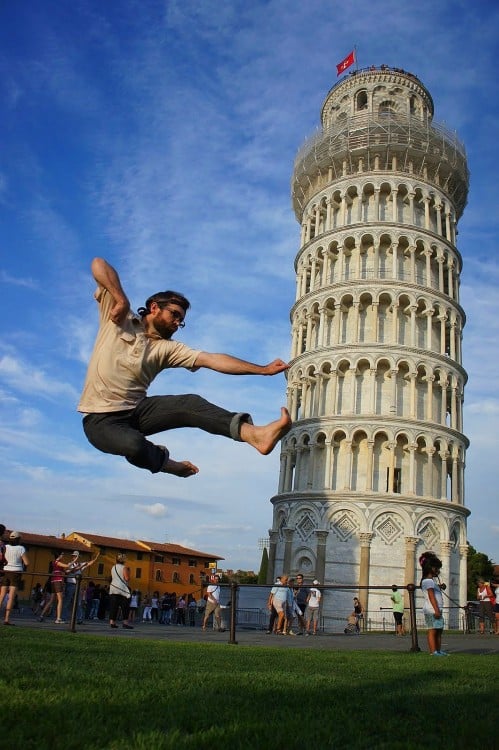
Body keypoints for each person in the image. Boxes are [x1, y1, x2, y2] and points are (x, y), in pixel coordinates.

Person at [78, 257, 292, 479]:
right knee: (134, 445)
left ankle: (254, 435)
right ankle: (169, 464)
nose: (178, 323)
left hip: (136, 411)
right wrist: (120, 298)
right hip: (100, 420)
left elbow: (213, 360)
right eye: (175, 315)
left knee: (190, 404)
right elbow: (97, 264)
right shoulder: (119, 317)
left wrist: (263, 369)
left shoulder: (168, 348)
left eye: (181, 320)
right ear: (154, 308)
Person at [419, 551, 448, 656]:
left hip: (437, 609)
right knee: (433, 630)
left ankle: (438, 650)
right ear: (430, 568)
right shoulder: (428, 581)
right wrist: (436, 610)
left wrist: (440, 587)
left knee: (439, 630)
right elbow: (431, 596)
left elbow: (434, 592)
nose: (438, 571)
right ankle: (433, 651)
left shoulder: (431, 581)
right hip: (432, 609)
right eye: (437, 568)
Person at [0, 531, 29, 625]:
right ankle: (7, 619)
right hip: (16, 572)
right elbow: (27, 563)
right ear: (18, 539)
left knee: (1, 595)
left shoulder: (6, 547)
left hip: (5, 571)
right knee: (11, 597)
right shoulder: (21, 548)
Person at [62, 550, 99, 621]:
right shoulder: (70, 564)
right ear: (73, 557)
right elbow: (72, 571)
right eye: (74, 556)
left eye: (77, 556)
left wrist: (95, 558)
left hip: (78, 585)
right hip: (70, 584)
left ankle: (79, 618)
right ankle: (64, 617)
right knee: (67, 601)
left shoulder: (80, 564)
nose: (75, 557)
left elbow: (89, 563)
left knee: (78, 602)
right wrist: (80, 567)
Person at [39, 551, 72, 624]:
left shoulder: (56, 564)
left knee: (51, 600)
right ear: (59, 555)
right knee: (60, 600)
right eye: (62, 555)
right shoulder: (57, 562)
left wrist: (74, 567)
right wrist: (73, 562)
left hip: (53, 581)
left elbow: (66, 571)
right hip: (57, 581)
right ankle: (58, 619)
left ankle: (41, 615)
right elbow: (67, 566)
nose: (63, 556)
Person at [109, 553, 134, 630]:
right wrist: (129, 572)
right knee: (125, 606)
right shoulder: (124, 568)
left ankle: (112, 622)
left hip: (113, 587)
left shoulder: (113, 567)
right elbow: (127, 578)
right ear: (123, 560)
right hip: (122, 588)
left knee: (114, 606)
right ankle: (125, 623)